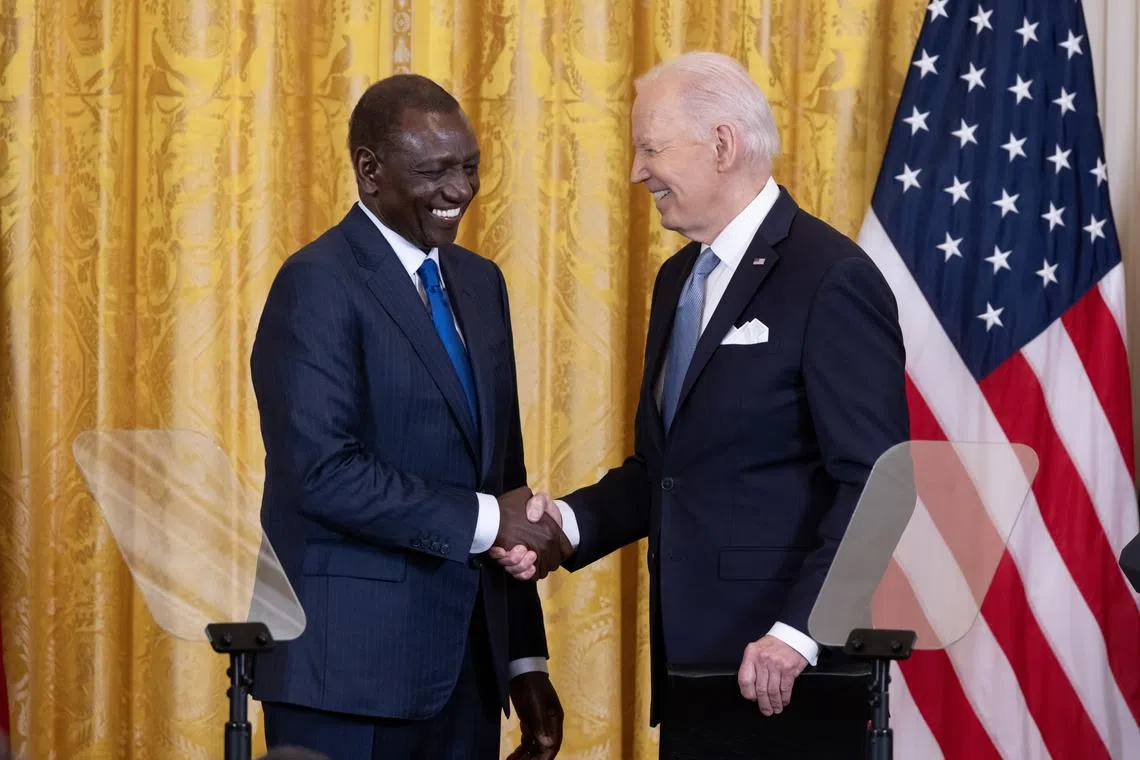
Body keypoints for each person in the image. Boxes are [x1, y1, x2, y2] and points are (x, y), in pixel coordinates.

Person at [493, 52, 909, 758]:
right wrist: (566, 524)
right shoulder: (678, 279)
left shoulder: (830, 276)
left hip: (788, 679)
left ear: (722, 144)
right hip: (693, 674)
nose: (636, 171)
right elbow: (665, 471)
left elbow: (880, 483)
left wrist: (798, 634)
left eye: (650, 148)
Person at [250, 74, 569, 760]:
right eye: (434, 171)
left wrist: (524, 663)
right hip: (345, 680)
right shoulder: (316, 283)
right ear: (369, 171)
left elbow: (504, 483)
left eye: (470, 167)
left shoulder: (480, 283)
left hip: (468, 678)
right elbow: (322, 473)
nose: (460, 189)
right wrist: (488, 521)